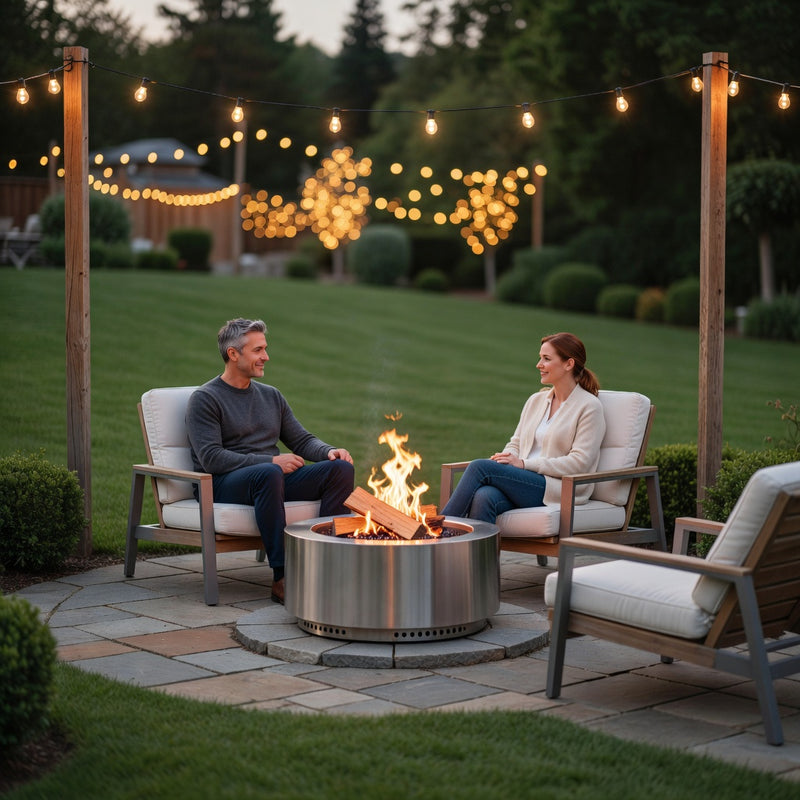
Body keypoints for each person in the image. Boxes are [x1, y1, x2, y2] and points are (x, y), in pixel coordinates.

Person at [186, 318, 354, 604]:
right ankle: (282, 576)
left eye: (265, 348)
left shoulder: (271, 396)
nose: (266, 356)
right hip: (223, 483)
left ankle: (328, 561)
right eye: (258, 350)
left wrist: (328, 451)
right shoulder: (205, 398)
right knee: (267, 473)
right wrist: (271, 461)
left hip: (269, 478)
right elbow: (211, 458)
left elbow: (301, 440)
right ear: (233, 354)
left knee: (340, 469)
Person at [441, 332, 605, 524]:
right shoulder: (536, 400)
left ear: (569, 364)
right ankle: (478, 555)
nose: (539, 364)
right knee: (484, 497)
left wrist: (524, 464)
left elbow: (579, 463)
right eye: (540, 358)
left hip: (559, 489)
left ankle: (439, 530)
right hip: (524, 481)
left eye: (546, 359)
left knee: (480, 467)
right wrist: (506, 459)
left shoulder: (589, 407)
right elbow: (516, 442)